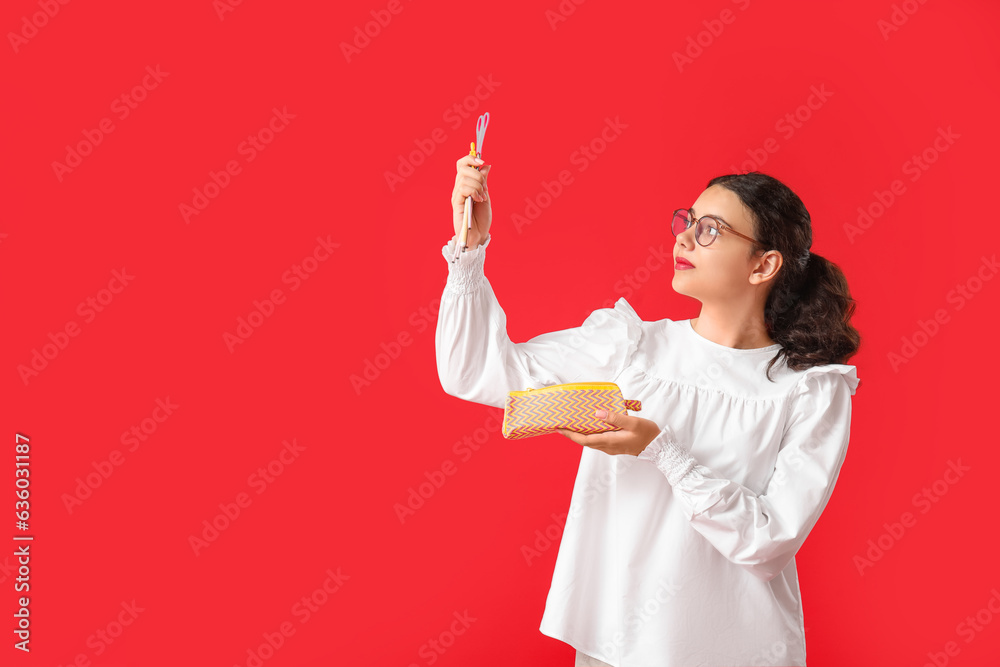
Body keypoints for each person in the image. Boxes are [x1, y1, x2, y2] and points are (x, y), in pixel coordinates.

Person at [435, 152, 861, 667]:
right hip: (614, 647)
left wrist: (661, 450)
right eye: (687, 221)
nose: (683, 238)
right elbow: (474, 370)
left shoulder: (811, 389)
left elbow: (769, 542)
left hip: (739, 652)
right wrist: (470, 245)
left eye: (711, 230)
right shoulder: (631, 348)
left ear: (764, 265)